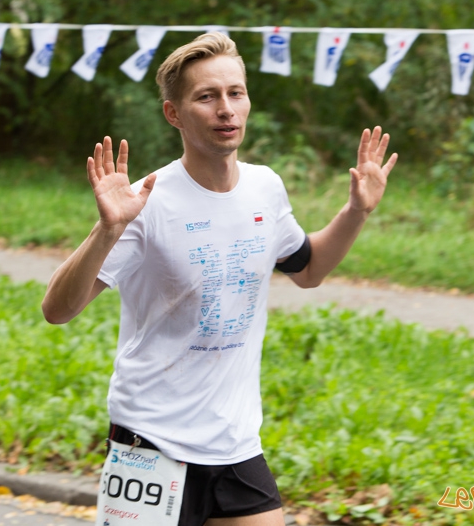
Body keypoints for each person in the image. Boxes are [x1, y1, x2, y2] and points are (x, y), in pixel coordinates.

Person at [42, 32, 397, 526]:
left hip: (235, 443)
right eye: (206, 97)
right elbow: (57, 310)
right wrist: (108, 229)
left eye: (236, 93)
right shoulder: (146, 201)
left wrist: (356, 211)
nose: (226, 109)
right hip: (151, 443)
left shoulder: (265, 187)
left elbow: (309, 269)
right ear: (174, 114)